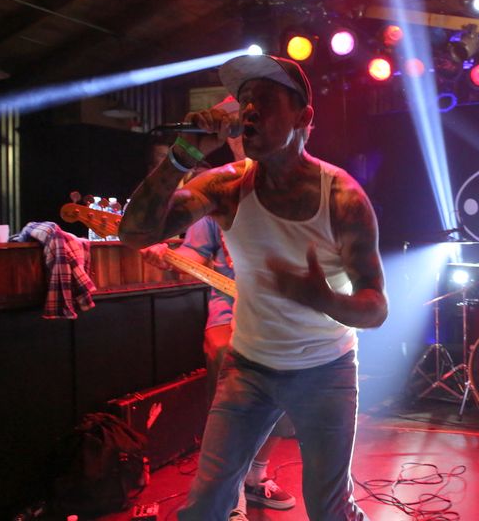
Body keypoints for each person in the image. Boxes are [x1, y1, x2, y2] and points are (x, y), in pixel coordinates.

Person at [120, 54, 387, 521]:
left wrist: (324, 299)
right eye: (243, 102)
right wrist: (182, 156)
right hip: (249, 370)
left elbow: (376, 307)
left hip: (325, 369)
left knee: (329, 510)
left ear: (303, 116)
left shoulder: (342, 198)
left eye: (263, 100)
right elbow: (134, 234)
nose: (248, 112)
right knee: (205, 506)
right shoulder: (226, 187)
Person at [140, 127, 296, 514]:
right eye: (241, 131)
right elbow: (195, 253)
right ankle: (232, 492)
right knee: (228, 365)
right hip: (229, 307)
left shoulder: (297, 186)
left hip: (282, 311)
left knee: (292, 388)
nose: (249, 137)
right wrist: (167, 257)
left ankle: (255, 476)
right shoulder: (217, 188)